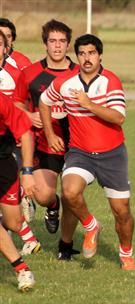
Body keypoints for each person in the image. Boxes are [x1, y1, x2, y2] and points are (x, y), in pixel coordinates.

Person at [39, 34, 135, 271]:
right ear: (77, 56)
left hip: (112, 154)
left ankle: (126, 254)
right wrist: (51, 135)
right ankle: (91, 226)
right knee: (69, 192)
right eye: (82, 53)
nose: (87, 58)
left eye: (91, 53)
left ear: (100, 55)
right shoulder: (65, 82)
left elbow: (119, 117)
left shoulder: (110, 81)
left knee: (121, 211)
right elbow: (44, 102)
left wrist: (89, 104)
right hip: (80, 152)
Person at [14, 20, 80, 259]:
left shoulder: (78, 73)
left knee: (73, 195)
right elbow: (16, 104)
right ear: (45, 44)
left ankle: (65, 248)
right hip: (44, 144)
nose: (57, 46)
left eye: (62, 41)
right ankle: (53, 207)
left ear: (68, 44)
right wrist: (29, 115)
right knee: (43, 195)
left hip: (77, 146)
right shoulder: (30, 73)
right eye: (52, 41)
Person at [0, 29, 41, 255]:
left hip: (10, 141)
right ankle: (28, 239)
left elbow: (26, 102)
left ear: (7, 47)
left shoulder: (18, 70)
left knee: (11, 206)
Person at [0, 92, 36, 291]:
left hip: (3, 165)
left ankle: (19, 194)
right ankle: (22, 269)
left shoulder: (1, 101)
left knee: (14, 223)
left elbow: (25, 133)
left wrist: (28, 171)